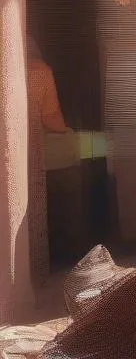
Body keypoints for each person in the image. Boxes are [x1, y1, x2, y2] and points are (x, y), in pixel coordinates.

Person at [26, 38, 70, 284]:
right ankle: (36, 274)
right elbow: (50, 116)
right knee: (33, 211)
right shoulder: (39, 71)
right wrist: (67, 132)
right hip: (30, 154)